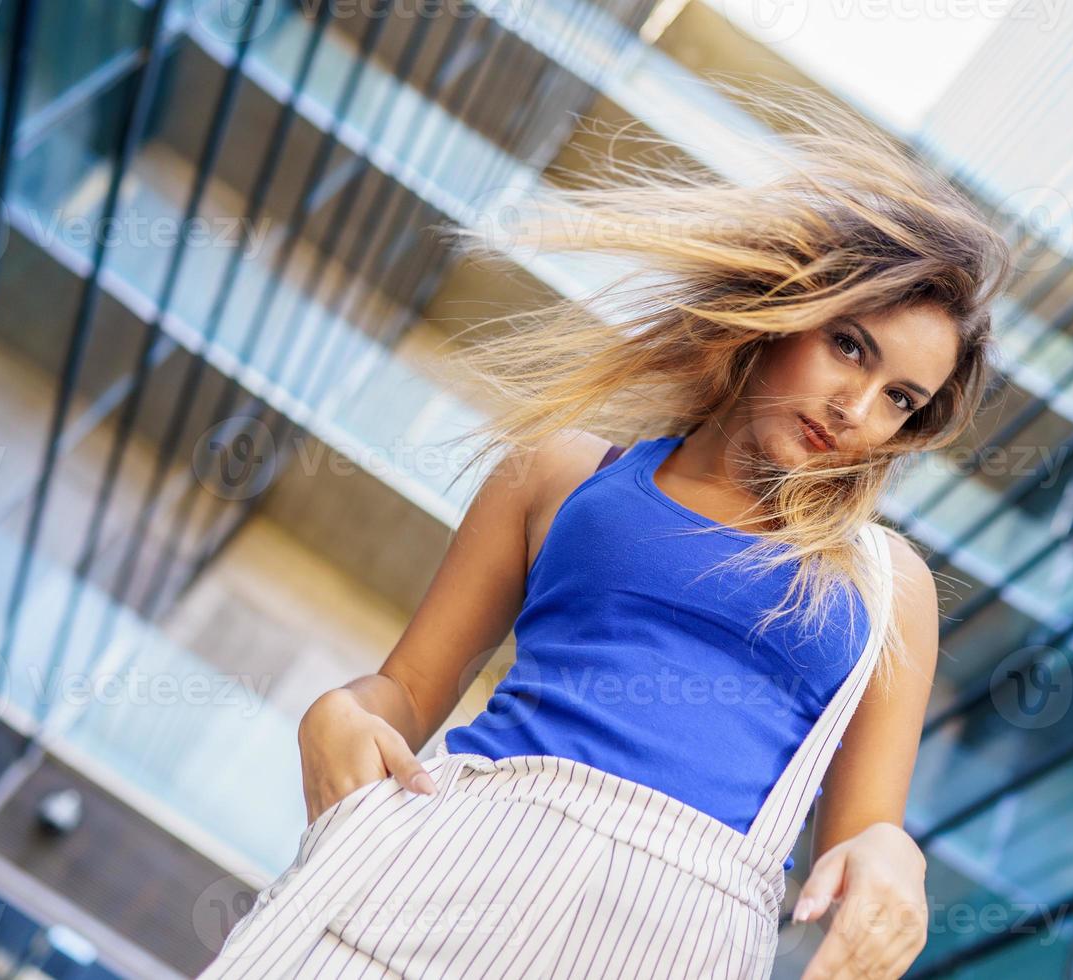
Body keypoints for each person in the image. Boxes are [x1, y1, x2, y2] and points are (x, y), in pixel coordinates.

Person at [197, 83, 1012, 979]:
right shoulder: (561, 471)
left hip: (674, 942)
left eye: (902, 399)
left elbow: (864, 839)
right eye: (850, 345)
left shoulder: (887, 586)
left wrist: (896, 857)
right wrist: (335, 713)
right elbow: (405, 689)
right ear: (783, 310)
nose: (858, 408)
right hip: (446, 867)